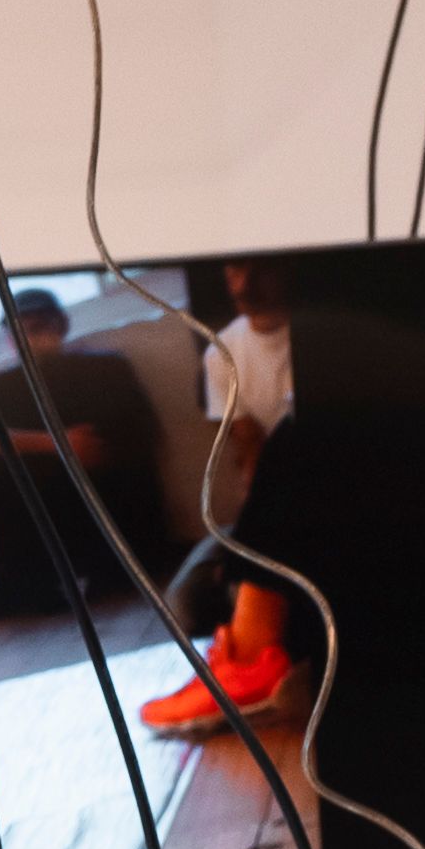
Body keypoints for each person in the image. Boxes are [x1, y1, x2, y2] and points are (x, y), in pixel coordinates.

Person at [147, 256, 307, 734]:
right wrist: (249, 543)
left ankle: (256, 659)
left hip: (338, 488)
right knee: (187, 603)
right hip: (277, 505)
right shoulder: (222, 351)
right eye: (235, 270)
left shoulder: (325, 330)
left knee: (291, 438)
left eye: (262, 268)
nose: (246, 283)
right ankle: (270, 656)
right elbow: (248, 455)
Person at [0, 287, 174, 618]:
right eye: (22, 328)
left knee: (122, 440)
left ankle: (104, 564)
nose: (32, 336)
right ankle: (40, 578)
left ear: (62, 325)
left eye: (40, 325)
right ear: (9, 337)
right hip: (40, 508)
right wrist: (58, 444)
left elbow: (141, 438)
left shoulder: (106, 369)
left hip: (103, 498)